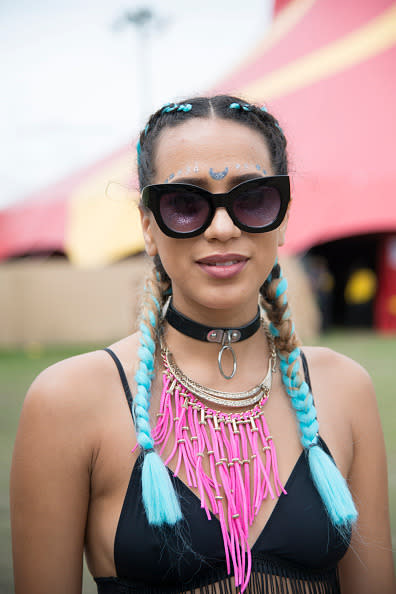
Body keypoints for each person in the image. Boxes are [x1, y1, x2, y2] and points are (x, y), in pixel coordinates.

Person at [10, 95, 396, 594]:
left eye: (252, 198)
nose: (222, 228)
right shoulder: (69, 399)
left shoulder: (343, 389)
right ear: (148, 225)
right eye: (186, 204)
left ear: (282, 216)